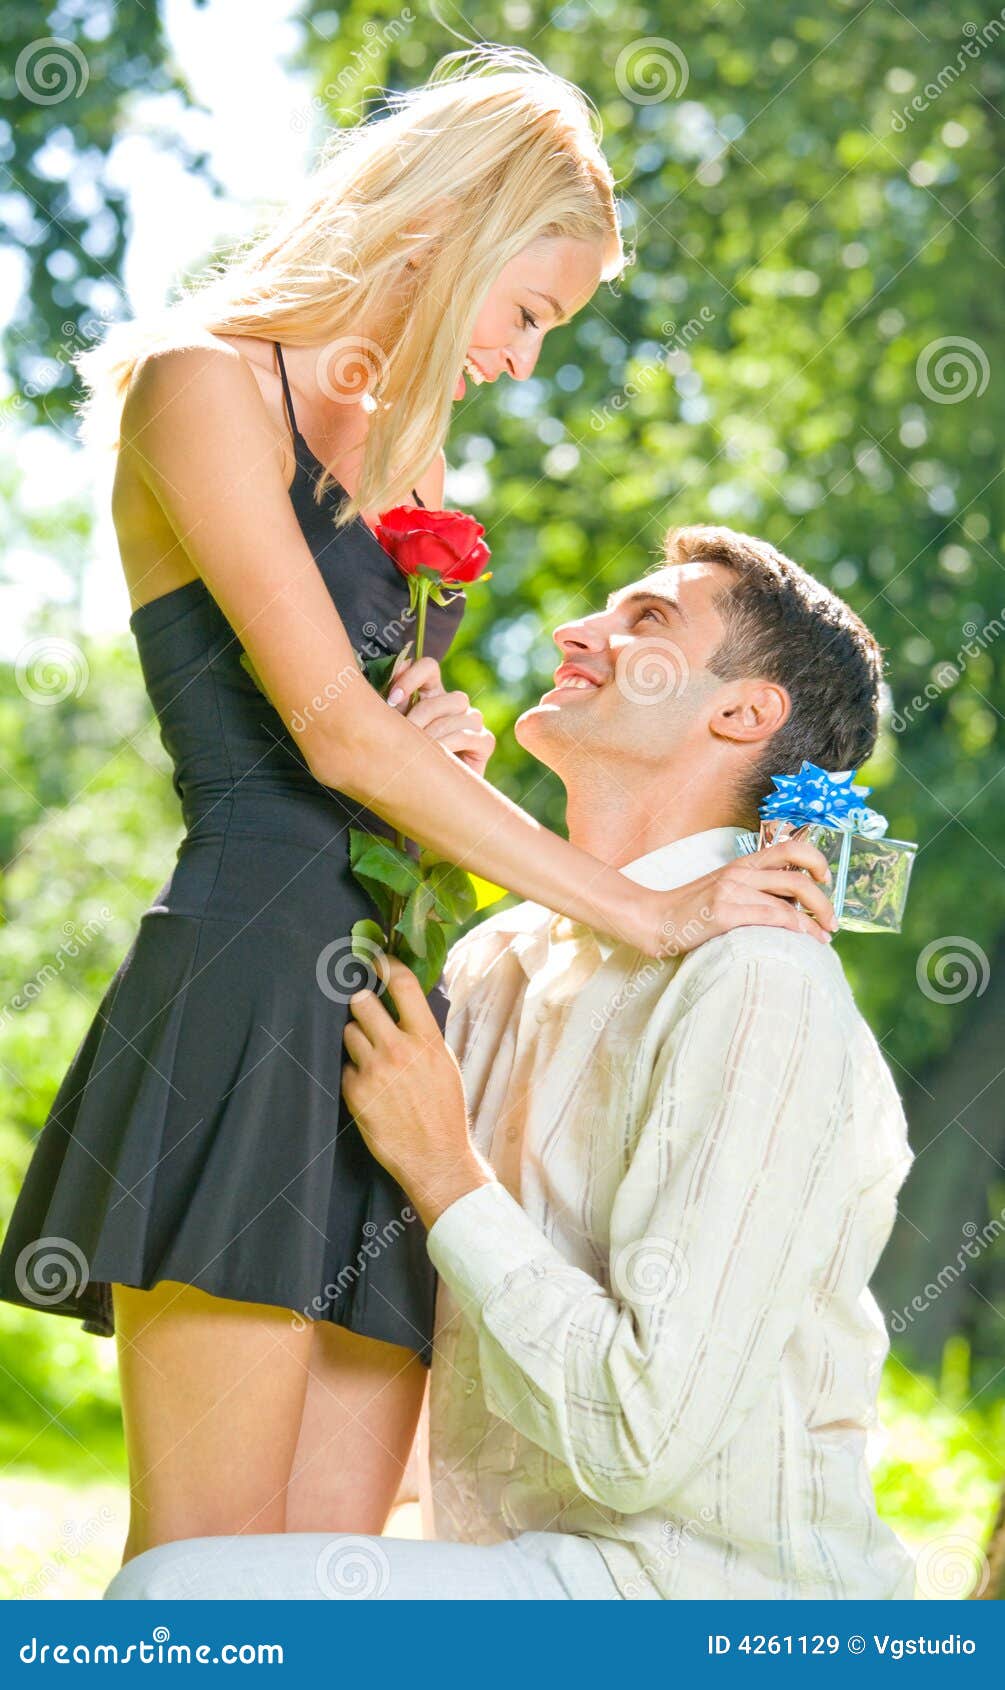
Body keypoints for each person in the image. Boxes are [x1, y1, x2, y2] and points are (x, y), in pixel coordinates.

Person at [0, 51, 833, 1566]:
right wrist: (649, 911)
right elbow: (326, 738)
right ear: (458, 224)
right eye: (530, 310)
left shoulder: (408, 457)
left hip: (397, 1028)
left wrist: (443, 748)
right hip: (250, 986)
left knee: (330, 1582)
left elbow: (391, 759)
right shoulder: (204, 381)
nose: (522, 358)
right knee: (203, 1584)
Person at [104, 525, 916, 1601]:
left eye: (650, 620)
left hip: (700, 1602)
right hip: (523, 1574)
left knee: (177, 1606)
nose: (579, 630)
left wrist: (447, 1173)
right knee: (191, 1576)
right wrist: (419, 823)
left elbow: (640, 1439)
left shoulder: (759, 981)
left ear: (743, 712)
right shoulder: (501, 958)